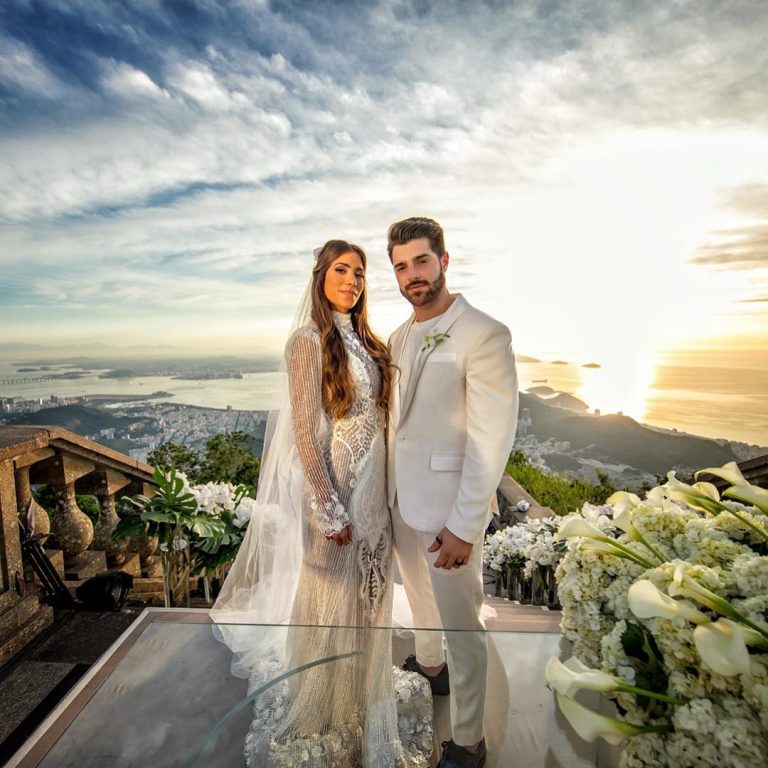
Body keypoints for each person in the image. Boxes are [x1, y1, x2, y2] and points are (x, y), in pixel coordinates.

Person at [212, 240, 432, 768]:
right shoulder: (307, 342)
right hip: (336, 496)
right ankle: (323, 711)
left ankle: (364, 696)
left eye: (359, 273)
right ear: (320, 276)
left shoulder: (364, 339)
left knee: (370, 603)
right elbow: (308, 437)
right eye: (342, 270)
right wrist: (329, 508)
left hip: (375, 493)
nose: (352, 281)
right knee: (329, 606)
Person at [386, 218, 519, 768]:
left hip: (448, 513)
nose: (411, 275)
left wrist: (466, 525)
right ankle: (429, 665)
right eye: (400, 266)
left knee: (463, 624)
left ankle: (468, 740)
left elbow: (492, 438)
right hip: (401, 501)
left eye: (421, 261)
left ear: (444, 260)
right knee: (419, 602)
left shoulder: (483, 333)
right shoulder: (397, 336)